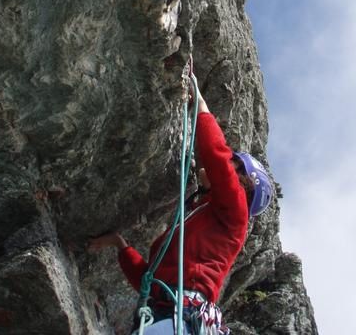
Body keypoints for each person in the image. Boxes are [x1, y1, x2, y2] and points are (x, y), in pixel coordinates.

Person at [88, 81, 273, 334]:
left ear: (242, 182)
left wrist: (201, 106)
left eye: (235, 164)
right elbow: (151, 281)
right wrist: (121, 246)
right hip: (168, 316)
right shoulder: (206, 218)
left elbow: (216, 157)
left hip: (179, 316)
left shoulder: (235, 213)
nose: (229, 163)